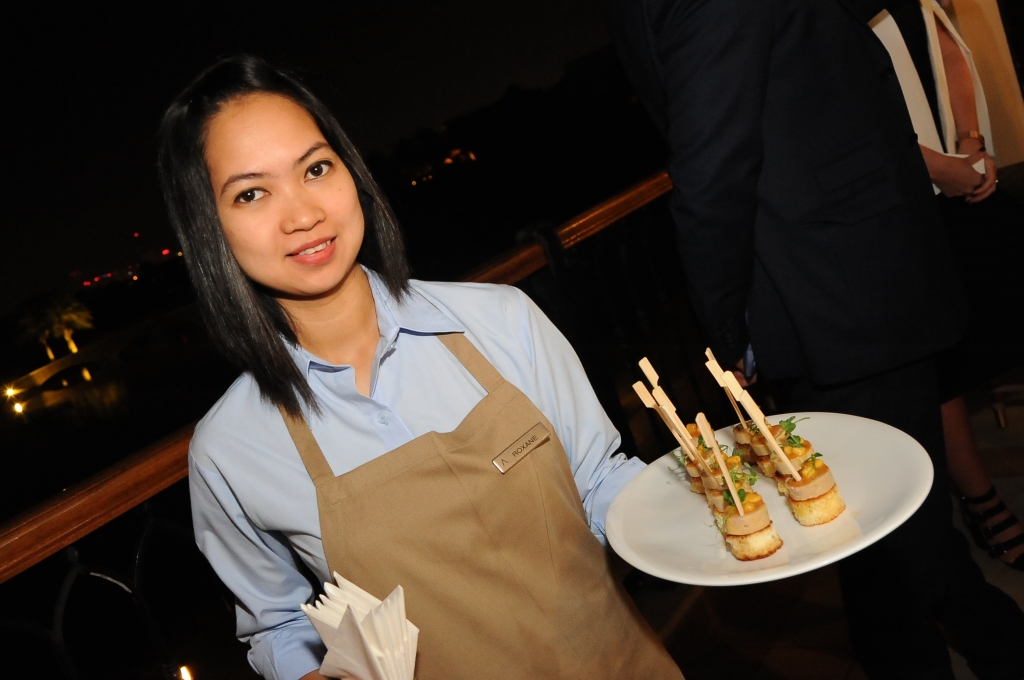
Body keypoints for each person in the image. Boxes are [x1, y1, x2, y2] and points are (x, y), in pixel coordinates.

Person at [156, 55, 684, 680]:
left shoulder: (502, 320)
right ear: (209, 229)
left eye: (316, 168)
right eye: (251, 193)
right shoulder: (229, 450)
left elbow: (597, 482)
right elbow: (280, 625)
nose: (302, 215)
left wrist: (695, 502)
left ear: (351, 172)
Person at [604, 0, 1024, 677]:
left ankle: (993, 640)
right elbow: (712, 171)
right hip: (841, 290)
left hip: (841, 283)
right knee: (894, 542)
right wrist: (729, 330)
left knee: (885, 532)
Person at [871, 0, 1024, 570]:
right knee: (939, 362)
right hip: (899, 198)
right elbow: (850, 107)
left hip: (962, 174)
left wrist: (972, 142)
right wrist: (937, 169)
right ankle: (982, 501)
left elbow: (941, 41)